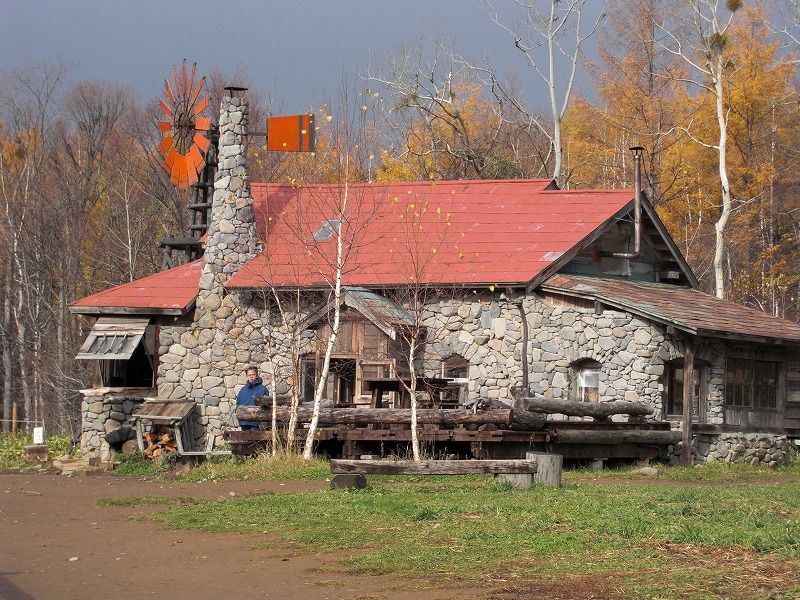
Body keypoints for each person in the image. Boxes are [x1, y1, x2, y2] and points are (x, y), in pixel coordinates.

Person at [236, 366, 269, 430]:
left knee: (255, 440)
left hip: (256, 423)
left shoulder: (263, 389)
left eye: (253, 374)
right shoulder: (243, 390)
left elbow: (266, 407)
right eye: (249, 375)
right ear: (247, 376)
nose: (251, 376)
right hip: (244, 422)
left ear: (256, 375)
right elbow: (238, 404)